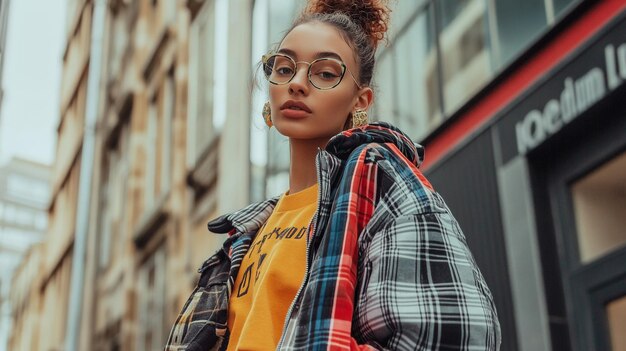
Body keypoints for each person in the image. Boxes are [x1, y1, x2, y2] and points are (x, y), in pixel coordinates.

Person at [165, 0, 501, 350]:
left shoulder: (379, 180)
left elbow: (458, 336)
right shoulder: (246, 232)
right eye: (283, 69)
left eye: (325, 73)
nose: (296, 83)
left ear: (361, 100)